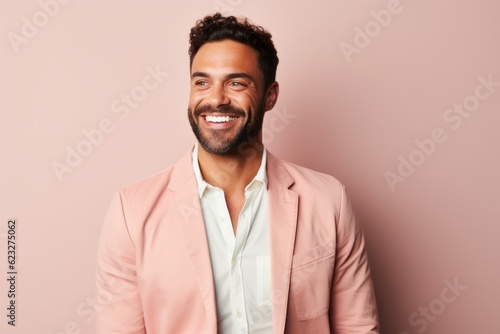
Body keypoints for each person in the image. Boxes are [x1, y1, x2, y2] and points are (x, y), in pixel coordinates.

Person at [96, 13, 379, 334]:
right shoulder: (131, 211)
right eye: (201, 82)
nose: (215, 98)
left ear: (270, 95)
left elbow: (357, 326)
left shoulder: (329, 201)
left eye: (236, 83)